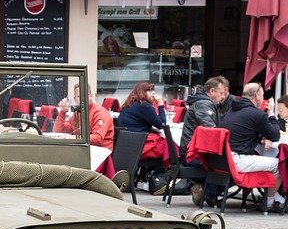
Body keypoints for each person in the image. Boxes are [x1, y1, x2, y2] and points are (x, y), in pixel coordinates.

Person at [219, 82, 284, 210]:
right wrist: (271, 112)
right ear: (258, 96)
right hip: (238, 160)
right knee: (280, 164)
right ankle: (270, 202)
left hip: (223, 160)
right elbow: (275, 135)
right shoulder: (256, 114)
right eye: (263, 94)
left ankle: (276, 196)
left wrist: (261, 140)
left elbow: (245, 131)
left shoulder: (231, 110)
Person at [178, 77, 226, 205]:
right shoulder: (204, 104)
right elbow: (211, 129)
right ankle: (207, 193)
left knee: (224, 162)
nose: (223, 97)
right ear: (211, 92)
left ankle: (203, 188)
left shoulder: (200, 102)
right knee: (225, 165)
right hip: (192, 155)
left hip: (190, 152)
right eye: (221, 93)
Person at [117, 81, 168, 165]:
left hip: (126, 146)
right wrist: (160, 105)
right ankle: (168, 172)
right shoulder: (144, 105)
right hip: (139, 147)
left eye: (153, 90)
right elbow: (162, 124)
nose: (154, 93)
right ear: (143, 92)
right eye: (150, 90)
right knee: (170, 147)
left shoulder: (129, 104)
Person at [55, 85, 114, 150]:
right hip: (83, 150)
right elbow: (59, 131)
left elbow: (97, 139)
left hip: (101, 153)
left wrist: (73, 138)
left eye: (84, 95)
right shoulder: (78, 113)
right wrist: (63, 112)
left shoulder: (100, 113)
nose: (82, 98)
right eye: (78, 96)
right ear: (74, 99)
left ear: (91, 96)